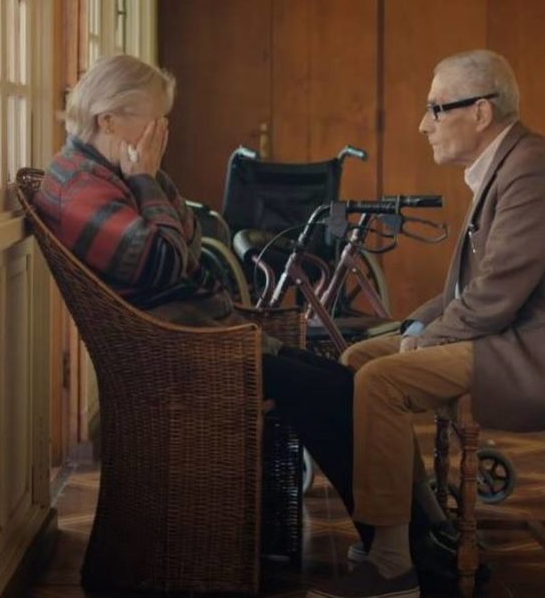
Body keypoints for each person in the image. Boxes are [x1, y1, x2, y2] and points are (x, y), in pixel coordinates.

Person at [308, 50, 545, 598]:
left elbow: (496, 294)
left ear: (481, 112)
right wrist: (414, 327)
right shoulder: (509, 164)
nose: (423, 125)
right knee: (357, 360)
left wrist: (425, 340)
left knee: (381, 380)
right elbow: (469, 290)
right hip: (511, 337)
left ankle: (392, 564)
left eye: (435, 108)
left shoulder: (531, 172)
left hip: (540, 355)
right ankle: (427, 528)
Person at [36, 54, 357, 531]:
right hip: (178, 351)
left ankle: (394, 534)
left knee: (342, 383)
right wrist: (146, 180)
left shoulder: (109, 172)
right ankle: (393, 540)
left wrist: (149, 184)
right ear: (108, 120)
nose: (163, 131)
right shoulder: (81, 186)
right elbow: (166, 260)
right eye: (154, 119)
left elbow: (187, 242)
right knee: (336, 392)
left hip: (200, 332)